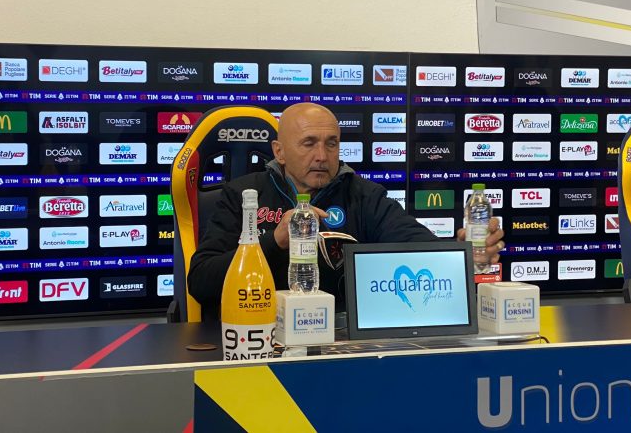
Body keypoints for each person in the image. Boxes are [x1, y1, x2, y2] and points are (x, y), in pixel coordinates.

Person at [187, 103, 504, 317]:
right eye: (309, 143)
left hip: (339, 344)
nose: (322, 156)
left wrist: (461, 252)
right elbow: (201, 282)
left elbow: (417, 247)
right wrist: (273, 242)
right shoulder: (245, 196)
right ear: (279, 152)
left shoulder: (363, 196)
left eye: (332, 143)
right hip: (259, 337)